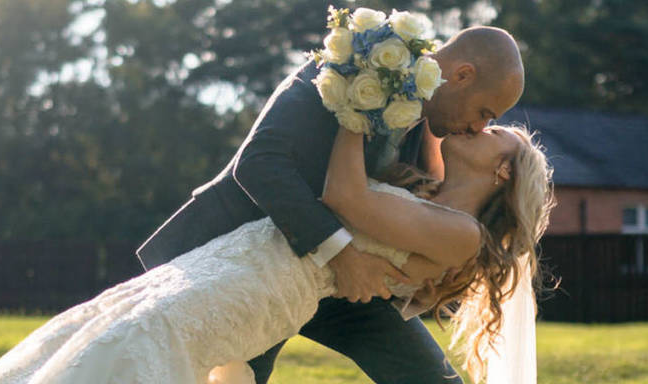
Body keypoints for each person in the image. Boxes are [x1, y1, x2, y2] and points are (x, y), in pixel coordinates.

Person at [0, 120, 552, 383]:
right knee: (125, 331)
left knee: (150, 344)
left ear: (504, 169)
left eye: (496, 128)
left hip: (266, 290)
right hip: (237, 261)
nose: (483, 123)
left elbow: (343, 196)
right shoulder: (417, 186)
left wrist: (354, 99)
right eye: (485, 116)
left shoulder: (461, 235)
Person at [132, 26, 529, 384]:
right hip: (246, 263)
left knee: (430, 377)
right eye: (484, 113)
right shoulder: (348, 68)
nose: (479, 127)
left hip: (344, 289)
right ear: (463, 75)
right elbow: (259, 162)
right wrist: (339, 254)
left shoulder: (426, 133)